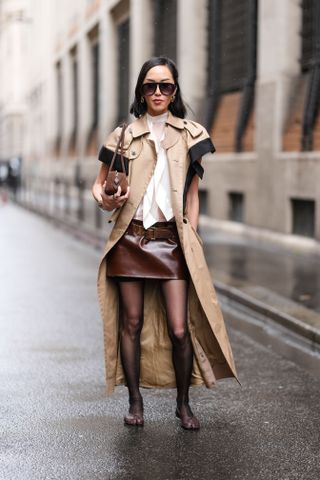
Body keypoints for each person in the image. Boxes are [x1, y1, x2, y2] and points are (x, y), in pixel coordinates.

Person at [92, 57, 238, 430]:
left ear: (174, 92)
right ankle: (135, 402)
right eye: (150, 86)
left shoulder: (191, 134)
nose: (158, 92)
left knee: (178, 328)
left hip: (172, 241)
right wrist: (106, 199)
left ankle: (183, 405)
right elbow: (99, 184)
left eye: (166, 86)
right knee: (132, 323)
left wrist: (193, 235)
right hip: (130, 239)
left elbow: (192, 194)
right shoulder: (123, 136)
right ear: (141, 92)